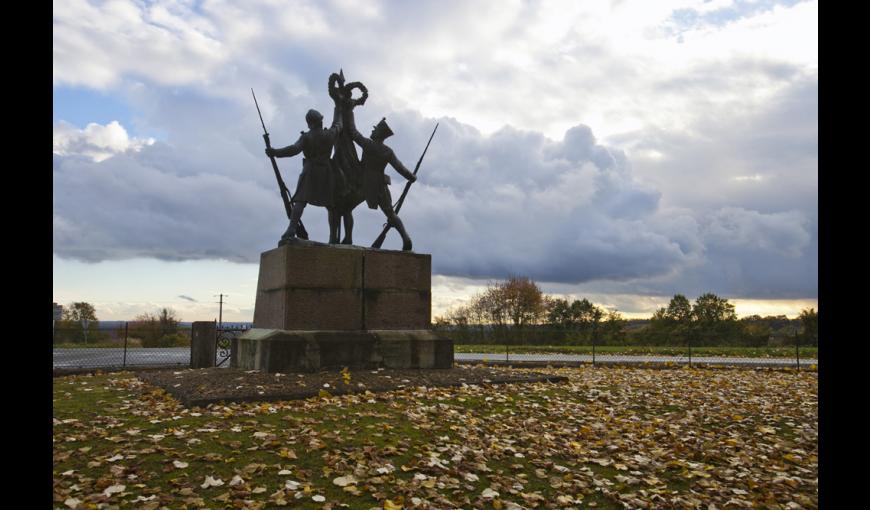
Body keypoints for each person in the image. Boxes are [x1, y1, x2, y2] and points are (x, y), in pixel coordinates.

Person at [266, 102, 342, 244]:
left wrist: (275, 152)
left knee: (300, 201)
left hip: (310, 170)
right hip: (326, 172)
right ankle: (333, 237)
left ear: (309, 123)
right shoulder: (330, 134)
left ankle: (291, 229)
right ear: (320, 120)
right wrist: (338, 108)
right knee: (331, 206)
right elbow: (338, 124)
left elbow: (293, 149)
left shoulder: (306, 137)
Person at [346, 109, 416, 251]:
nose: (373, 130)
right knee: (390, 213)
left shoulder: (367, 143)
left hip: (363, 183)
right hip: (380, 185)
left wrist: (349, 112)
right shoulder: (388, 151)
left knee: (346, 209)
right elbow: (400, 168)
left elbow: (353, 132)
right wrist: (411, 177)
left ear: (379, 133)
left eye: (375, 129)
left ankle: (348, 238)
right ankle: (405, 237)